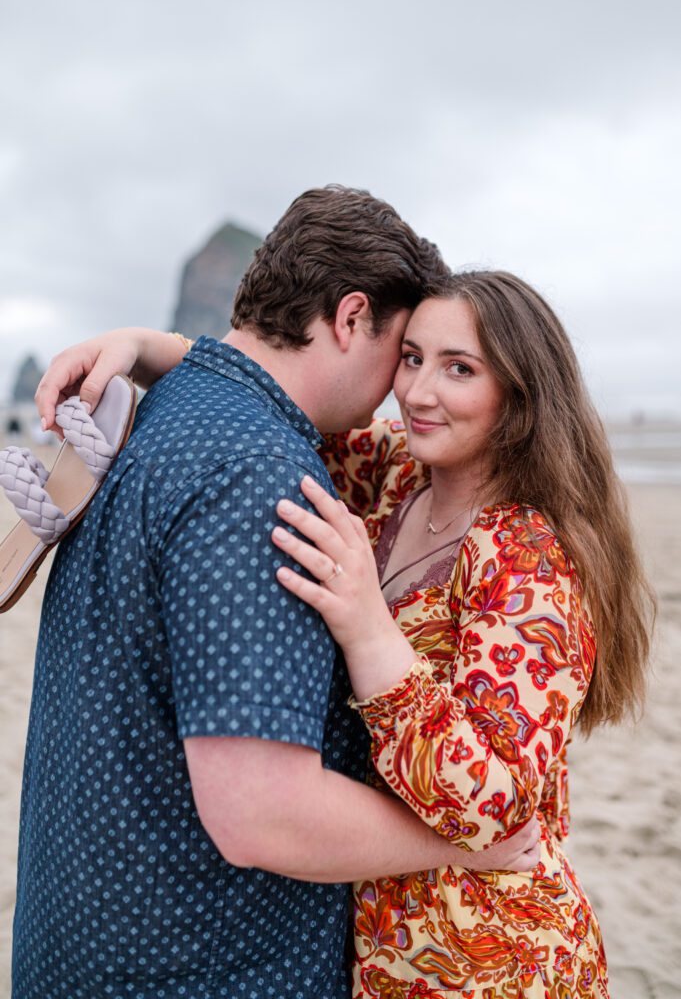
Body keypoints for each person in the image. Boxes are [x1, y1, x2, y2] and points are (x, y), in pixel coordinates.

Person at [46, 270, 655, 997]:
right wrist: (147, 346)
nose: (420, 392)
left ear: (520, 395)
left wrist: (370, 630)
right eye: (412, 357)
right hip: (385, 938)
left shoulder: (529, 560)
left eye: (459, 369)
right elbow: (282, 393)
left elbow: (492, 805)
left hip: (493, 955)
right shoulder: (400, 477)